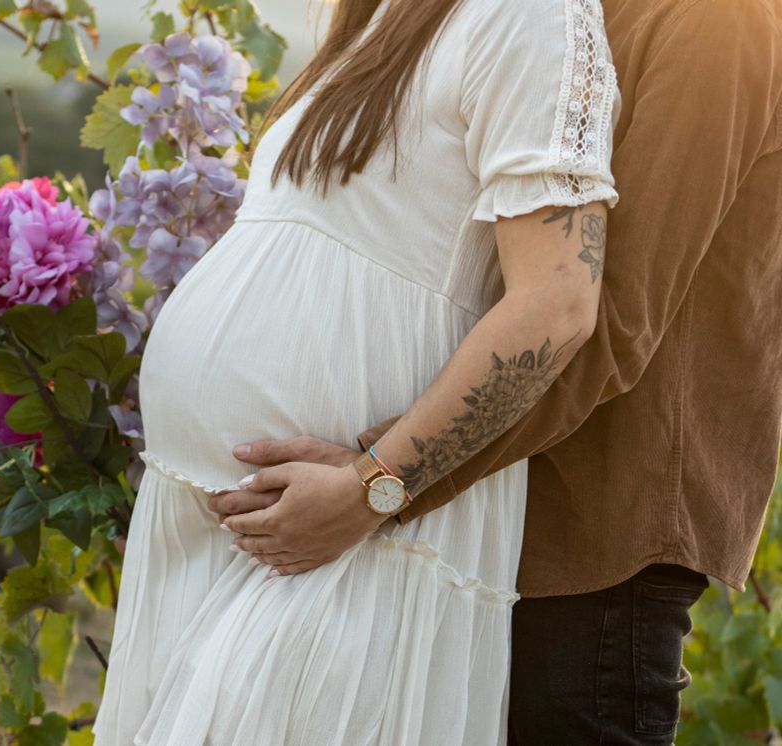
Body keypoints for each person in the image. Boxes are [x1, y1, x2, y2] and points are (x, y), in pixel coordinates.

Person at [212, 0, 782, 742]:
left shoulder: (717, 21)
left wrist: (380, 478)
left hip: (592, 536)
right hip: (478, 503)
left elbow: (606, 319)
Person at [91, 0, 620, 742]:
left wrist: (372, 487)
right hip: (226, 533)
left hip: (354, 540)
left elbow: (558, 301)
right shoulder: (376, 22)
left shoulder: (530, 15)